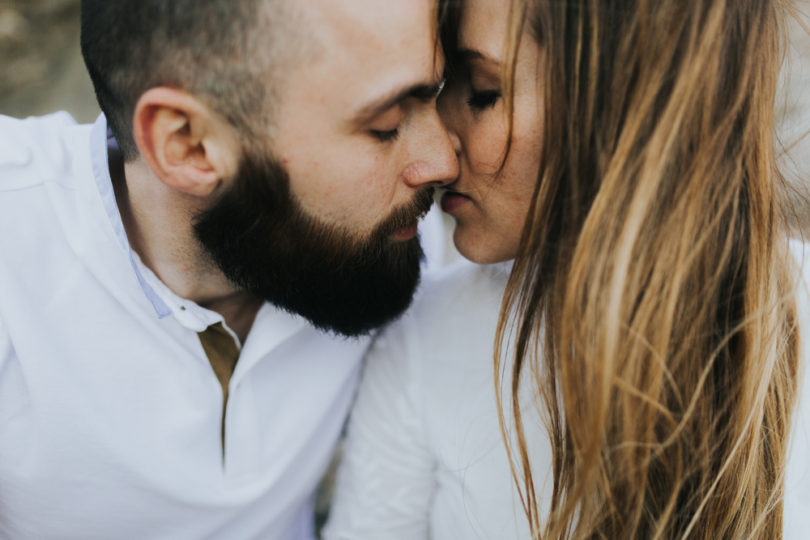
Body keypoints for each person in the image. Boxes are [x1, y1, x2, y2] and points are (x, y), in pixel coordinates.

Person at [324, 0, 810, 538]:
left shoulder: (791, 316)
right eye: (442, 87)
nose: (439, 142)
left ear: (624, 109)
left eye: (484, 93)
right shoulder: (425, 337)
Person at [0, 0, 458, 538]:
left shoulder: (391, 226)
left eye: (438, 95)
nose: (443, 161)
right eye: (385, 127)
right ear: (189, 146)